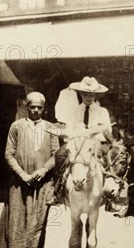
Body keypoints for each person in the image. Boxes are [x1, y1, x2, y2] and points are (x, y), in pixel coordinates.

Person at [0, 92, 59, 248]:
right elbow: (8, 154)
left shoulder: (51, 128)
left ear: (44, 108)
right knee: (18, 219)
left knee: (39, 221)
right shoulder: (16, 127)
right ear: (26, 108)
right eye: (32, 107)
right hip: (19, 182)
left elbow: (56, 154)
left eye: (39, 107)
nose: (36, 110)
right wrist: (22, 174)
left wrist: (43, 170)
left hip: (43, 182)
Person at [47, 76, 112, 206]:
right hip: (77, 141)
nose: (88, 98)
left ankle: (109, 193)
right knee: (60, 154)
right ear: (81, 94)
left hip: (95, 142)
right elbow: (69, 132)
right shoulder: (74, 111)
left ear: (95, 95)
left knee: (105, 157)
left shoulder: (102, 111)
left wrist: (96, 132)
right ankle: (58, 189)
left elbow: (108, 133)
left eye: (91, 95)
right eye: (85, 95)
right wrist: (75, 136)